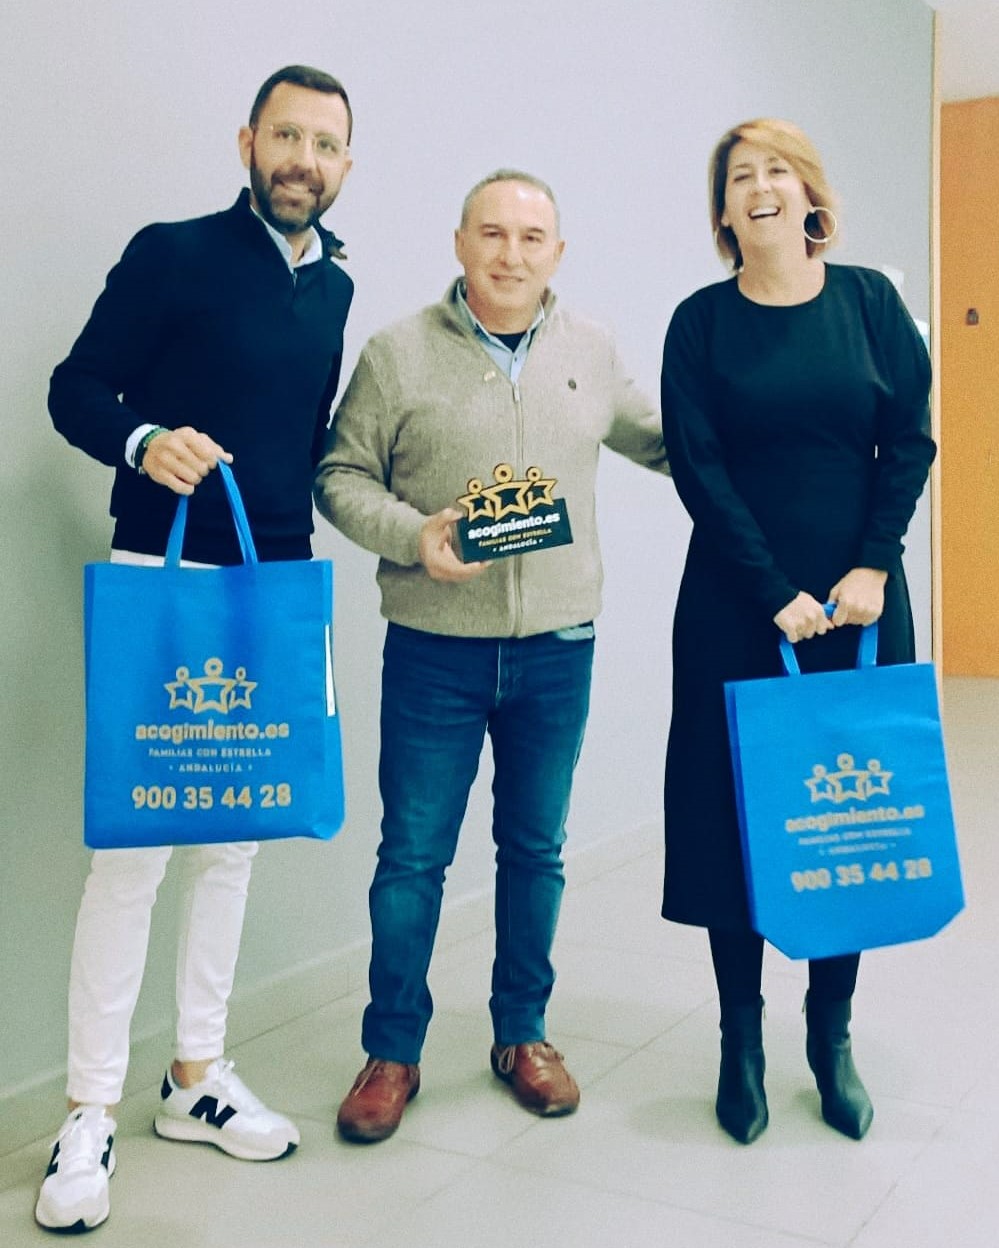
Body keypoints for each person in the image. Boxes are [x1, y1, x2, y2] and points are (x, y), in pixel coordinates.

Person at [37, 65, 354, 1232]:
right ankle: (88, 1111)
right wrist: (144, 440)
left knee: (234, 843)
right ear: (248, 141)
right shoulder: (171, 253)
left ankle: (195, 1080)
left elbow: (307, 444)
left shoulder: (334, 286)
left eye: (325, 144)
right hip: (162, 579)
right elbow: (75, 389)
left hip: (274, 591)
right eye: (287, 135)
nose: (303, 160)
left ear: (344, 166)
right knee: (134, 853)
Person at [314, 169, 668, 1143]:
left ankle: (522, 1034)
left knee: (535, 850)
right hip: (435, 651)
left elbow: (668, 443)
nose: (512, 254)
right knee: (412, 857)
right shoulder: (396, 355)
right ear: (460, 243)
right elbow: (338, 474)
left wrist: (789, 445)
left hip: (558, 647)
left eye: (531, 237)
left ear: (558, 252)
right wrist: (410, 535)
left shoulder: (590, 350)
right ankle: (391, 1051)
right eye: (493, 234)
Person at [659, 118, 935, 1145]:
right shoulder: (700, 323)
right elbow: (698, 465)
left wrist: (871, 564)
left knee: (843, 819)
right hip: (735, 605)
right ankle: (739, 1039)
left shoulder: (868, 303)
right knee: (736, 816)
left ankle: (831, 1034)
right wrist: (771, 588)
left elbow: (909, 440)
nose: (760, 187)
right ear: (724, 211)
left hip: (858, 605)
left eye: (777, 170)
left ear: (810, 194)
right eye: (740, 176)